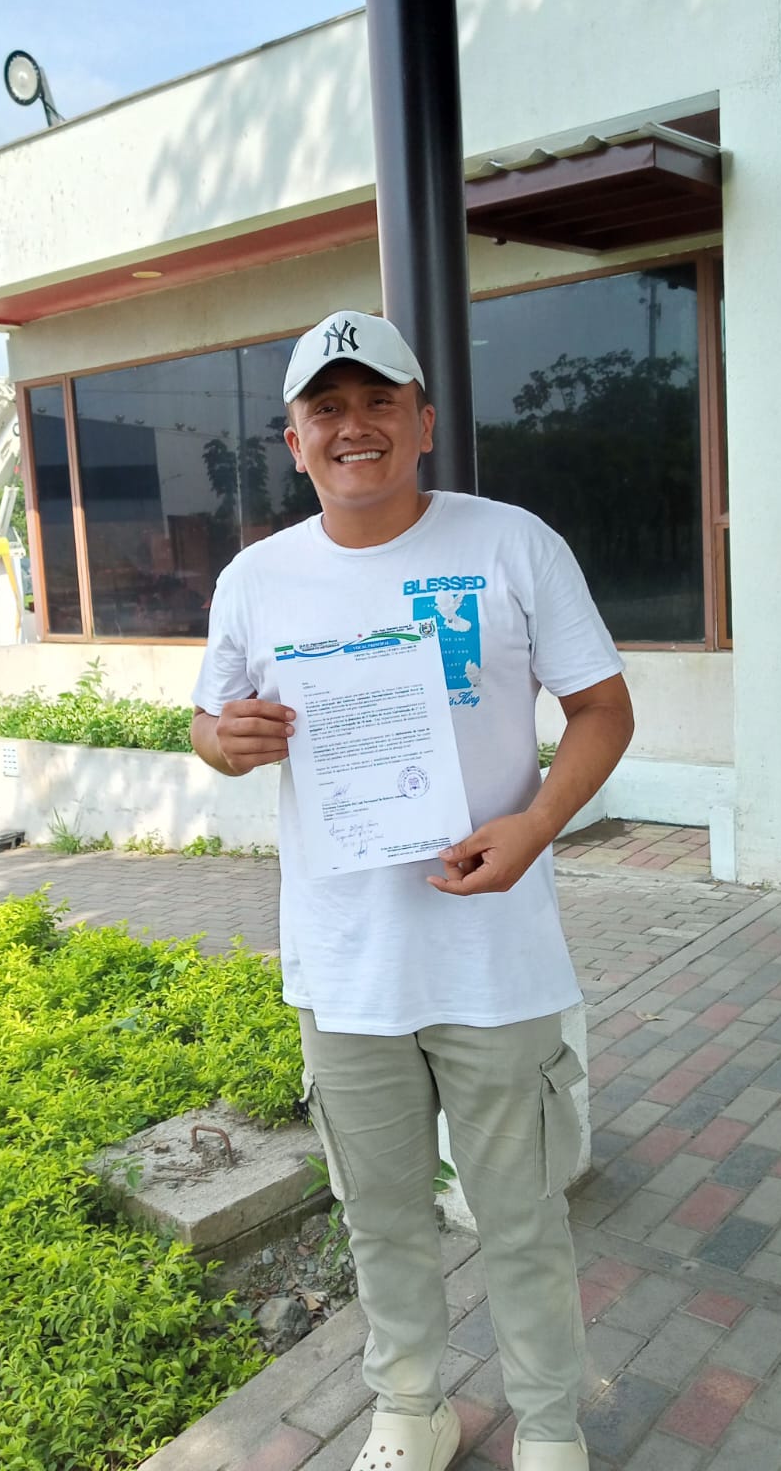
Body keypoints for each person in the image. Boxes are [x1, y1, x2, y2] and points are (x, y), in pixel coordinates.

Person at [190, 311, 634, 1471]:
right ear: (294, 440)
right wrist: (224, 741)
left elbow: (602, 708)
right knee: (379, 1217)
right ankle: (408, 1408)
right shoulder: (257, 580)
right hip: (348, 967)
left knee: (523, 1216)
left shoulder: (512, 545)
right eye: (326, 408)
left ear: (424, 420)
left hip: (496, 959)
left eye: (378, 400)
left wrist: (537, 824)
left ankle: (550, 1424)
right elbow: (210, 723)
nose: (355, 426)